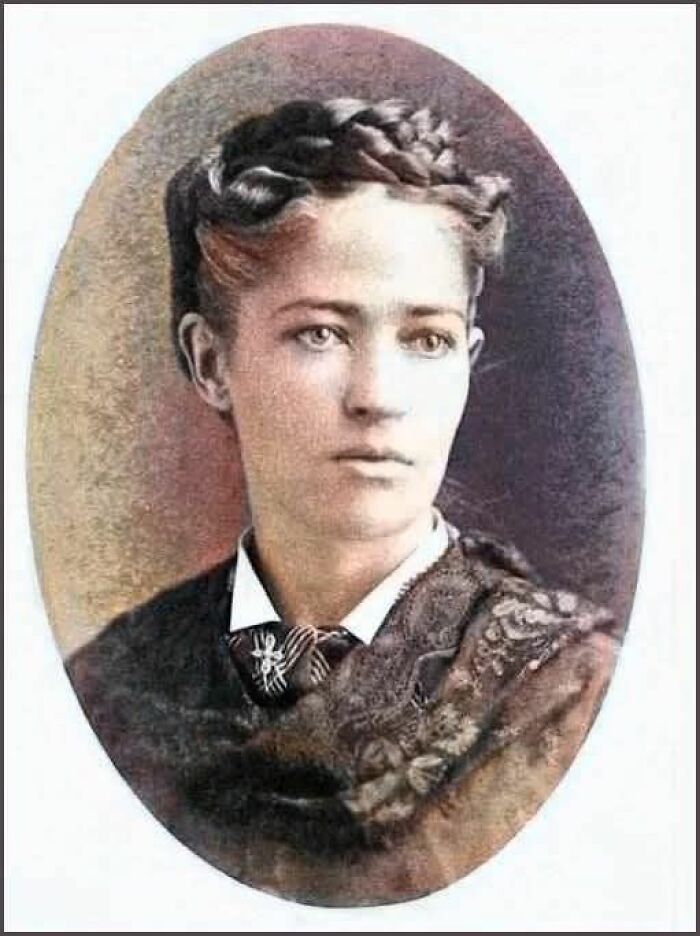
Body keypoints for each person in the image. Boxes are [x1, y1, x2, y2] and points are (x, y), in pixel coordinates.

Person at [67, 98, 619, 906]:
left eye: (426, 339)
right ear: (211, 362)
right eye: (320, 333)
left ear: (467, 363)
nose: (377, 397)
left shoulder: (573, 695)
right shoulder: (110, 689)